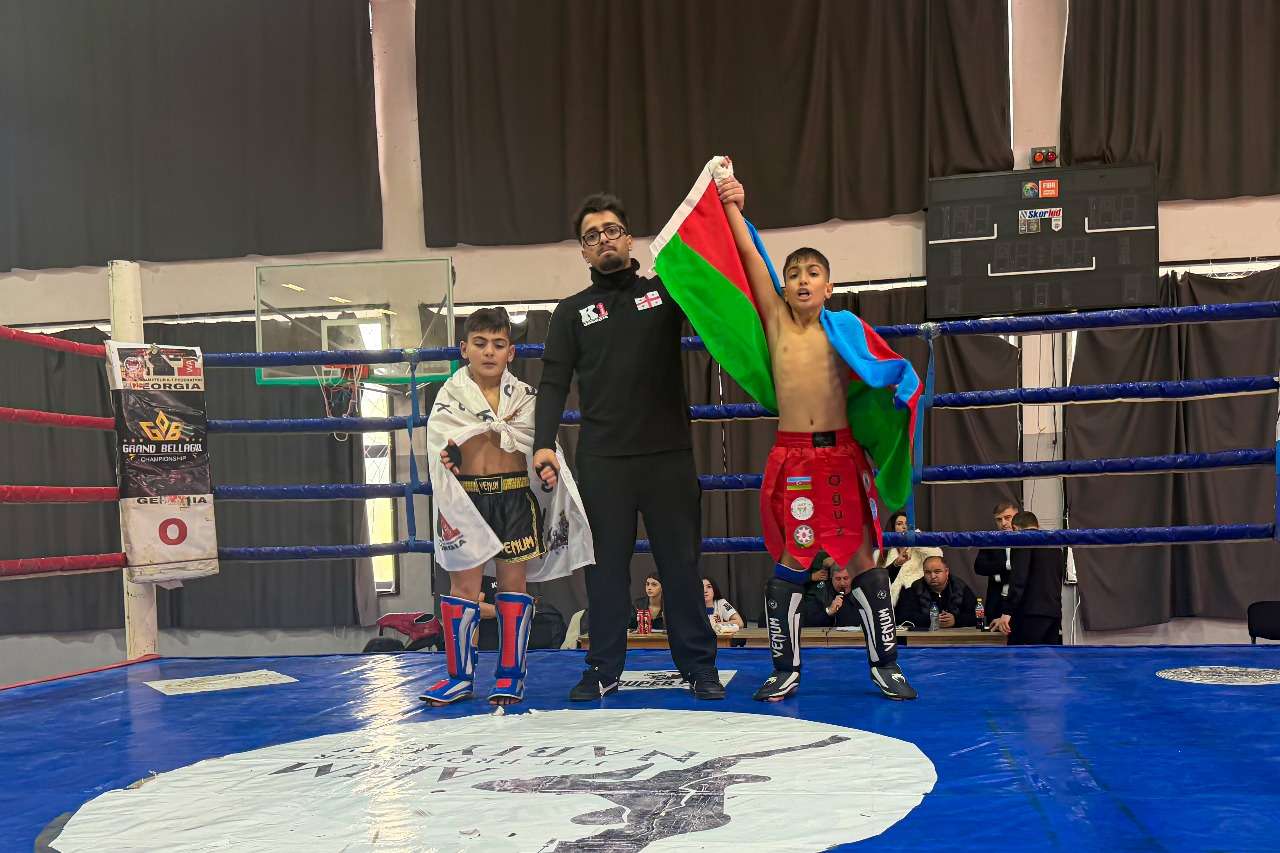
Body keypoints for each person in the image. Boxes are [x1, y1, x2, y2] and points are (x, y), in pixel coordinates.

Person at [716, 167, 918, 702]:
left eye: (813, 272)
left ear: (829, 287)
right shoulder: (776, 322)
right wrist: (733, 203)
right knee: (792, 561)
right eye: (793, 273)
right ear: (784, 286)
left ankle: (886, 665)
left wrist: (903, 387)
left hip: (841, 457)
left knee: (863, 562)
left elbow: (881, 371)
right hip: (795, 460)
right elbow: (751, 259)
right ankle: (785, 669)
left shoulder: (845, 330)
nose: (802, 280)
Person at [532, 194, 723, 701]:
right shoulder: (570, 312)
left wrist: (730, 211)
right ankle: (603, 668)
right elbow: (553, 383)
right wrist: (543, 444)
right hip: (604, 462)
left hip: (668, 457)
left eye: (612, 230)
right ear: (583, 251)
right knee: (605, 572)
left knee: (680, 566)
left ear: (630, 238)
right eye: (592, 236)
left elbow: (716, 287)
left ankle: (699, 667)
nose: (604, 241)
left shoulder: (665, 292)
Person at [421, 307, 593, 707]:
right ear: (464, 348)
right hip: (467, 501)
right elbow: (439, 446)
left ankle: (510, 675)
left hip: (514, 497)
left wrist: (547, 472)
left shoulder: (525, 398)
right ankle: (459, 678)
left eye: (498, 344)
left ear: (511, 353)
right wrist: (450, 456)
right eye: (480, 343)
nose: (489, 352)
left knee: (514, 585)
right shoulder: (450, 396)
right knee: (463, 588)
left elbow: (542, 448)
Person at [990, 511, 1064, 645]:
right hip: (1053, 613)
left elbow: (1019, 578)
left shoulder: (1022, 540)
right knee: (1048, 656)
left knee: (1024, 656)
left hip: (1030, 614)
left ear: (1015, 528)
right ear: (1037, 525)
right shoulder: (1055, 546)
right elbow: (1058, 579)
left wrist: (1007, 613)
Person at [896, 555, 978, 631]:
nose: (932, 576)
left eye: (937, 571)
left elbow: (977, 616)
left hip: (957, 638)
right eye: (928, 572)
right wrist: (932, 620)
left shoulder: (961, 588)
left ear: (947, 571)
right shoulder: (913, 590)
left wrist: (955, 620)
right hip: (924, 638)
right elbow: (903, 618)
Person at [879, 510, 943, 607]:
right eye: (899, 524)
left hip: (917, 602)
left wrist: (917, 539)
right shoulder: (880, 553)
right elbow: (877, 581)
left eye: (907, 524)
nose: (904, 527)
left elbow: (938, 555)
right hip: (890, 605)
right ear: (892, 528)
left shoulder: (919, 550)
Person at [973, 499, 1020, 622]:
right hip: (996, 605)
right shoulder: (991, 540)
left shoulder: (1028, 540)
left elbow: (1024, 572)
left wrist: (997, 574)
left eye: (1007, 518)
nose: (1003, 523)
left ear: (1017, 515)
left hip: (1021, 604)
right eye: (999, 519)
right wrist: (1007, 566)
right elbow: (979, 567)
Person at [804, 563, 860, 628]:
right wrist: (829, 611)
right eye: (838, 579)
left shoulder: (861, 590)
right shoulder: (820, 592)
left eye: (846, 578)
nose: (842, 583)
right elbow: (808, 621)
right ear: (831, 578)